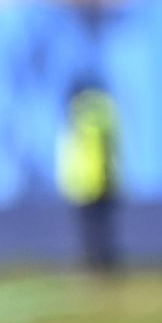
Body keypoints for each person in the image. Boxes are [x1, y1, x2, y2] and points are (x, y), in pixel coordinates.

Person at [58, 79, 121, 274]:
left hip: (86, 183)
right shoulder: (106, 112)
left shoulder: (77, 115)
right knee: (101, 228)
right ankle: (102, 263)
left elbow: (72, 152)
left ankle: (96, 265)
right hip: (103, 181)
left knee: (92, 229)